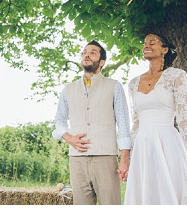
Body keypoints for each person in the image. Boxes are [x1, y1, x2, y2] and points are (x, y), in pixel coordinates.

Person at [123, 33, 187, 204]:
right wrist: (129, 159)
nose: (146, 46)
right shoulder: (133, 83)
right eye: (145, 43)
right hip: (142, 147)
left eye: (152, 43)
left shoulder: (177, 76)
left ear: (165, 50)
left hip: (168, 144)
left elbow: (184, 122)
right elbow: (136, 123)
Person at [52, 41, 131, 205]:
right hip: (77, 160)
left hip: (106, 158)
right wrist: (69, 138)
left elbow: (123, 123)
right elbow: (59, 121)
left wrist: (125, 159)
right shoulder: (68, 89)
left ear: (102, 62)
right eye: (84, 52)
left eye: (93, 52)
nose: (86, 55)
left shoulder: (114, 86)